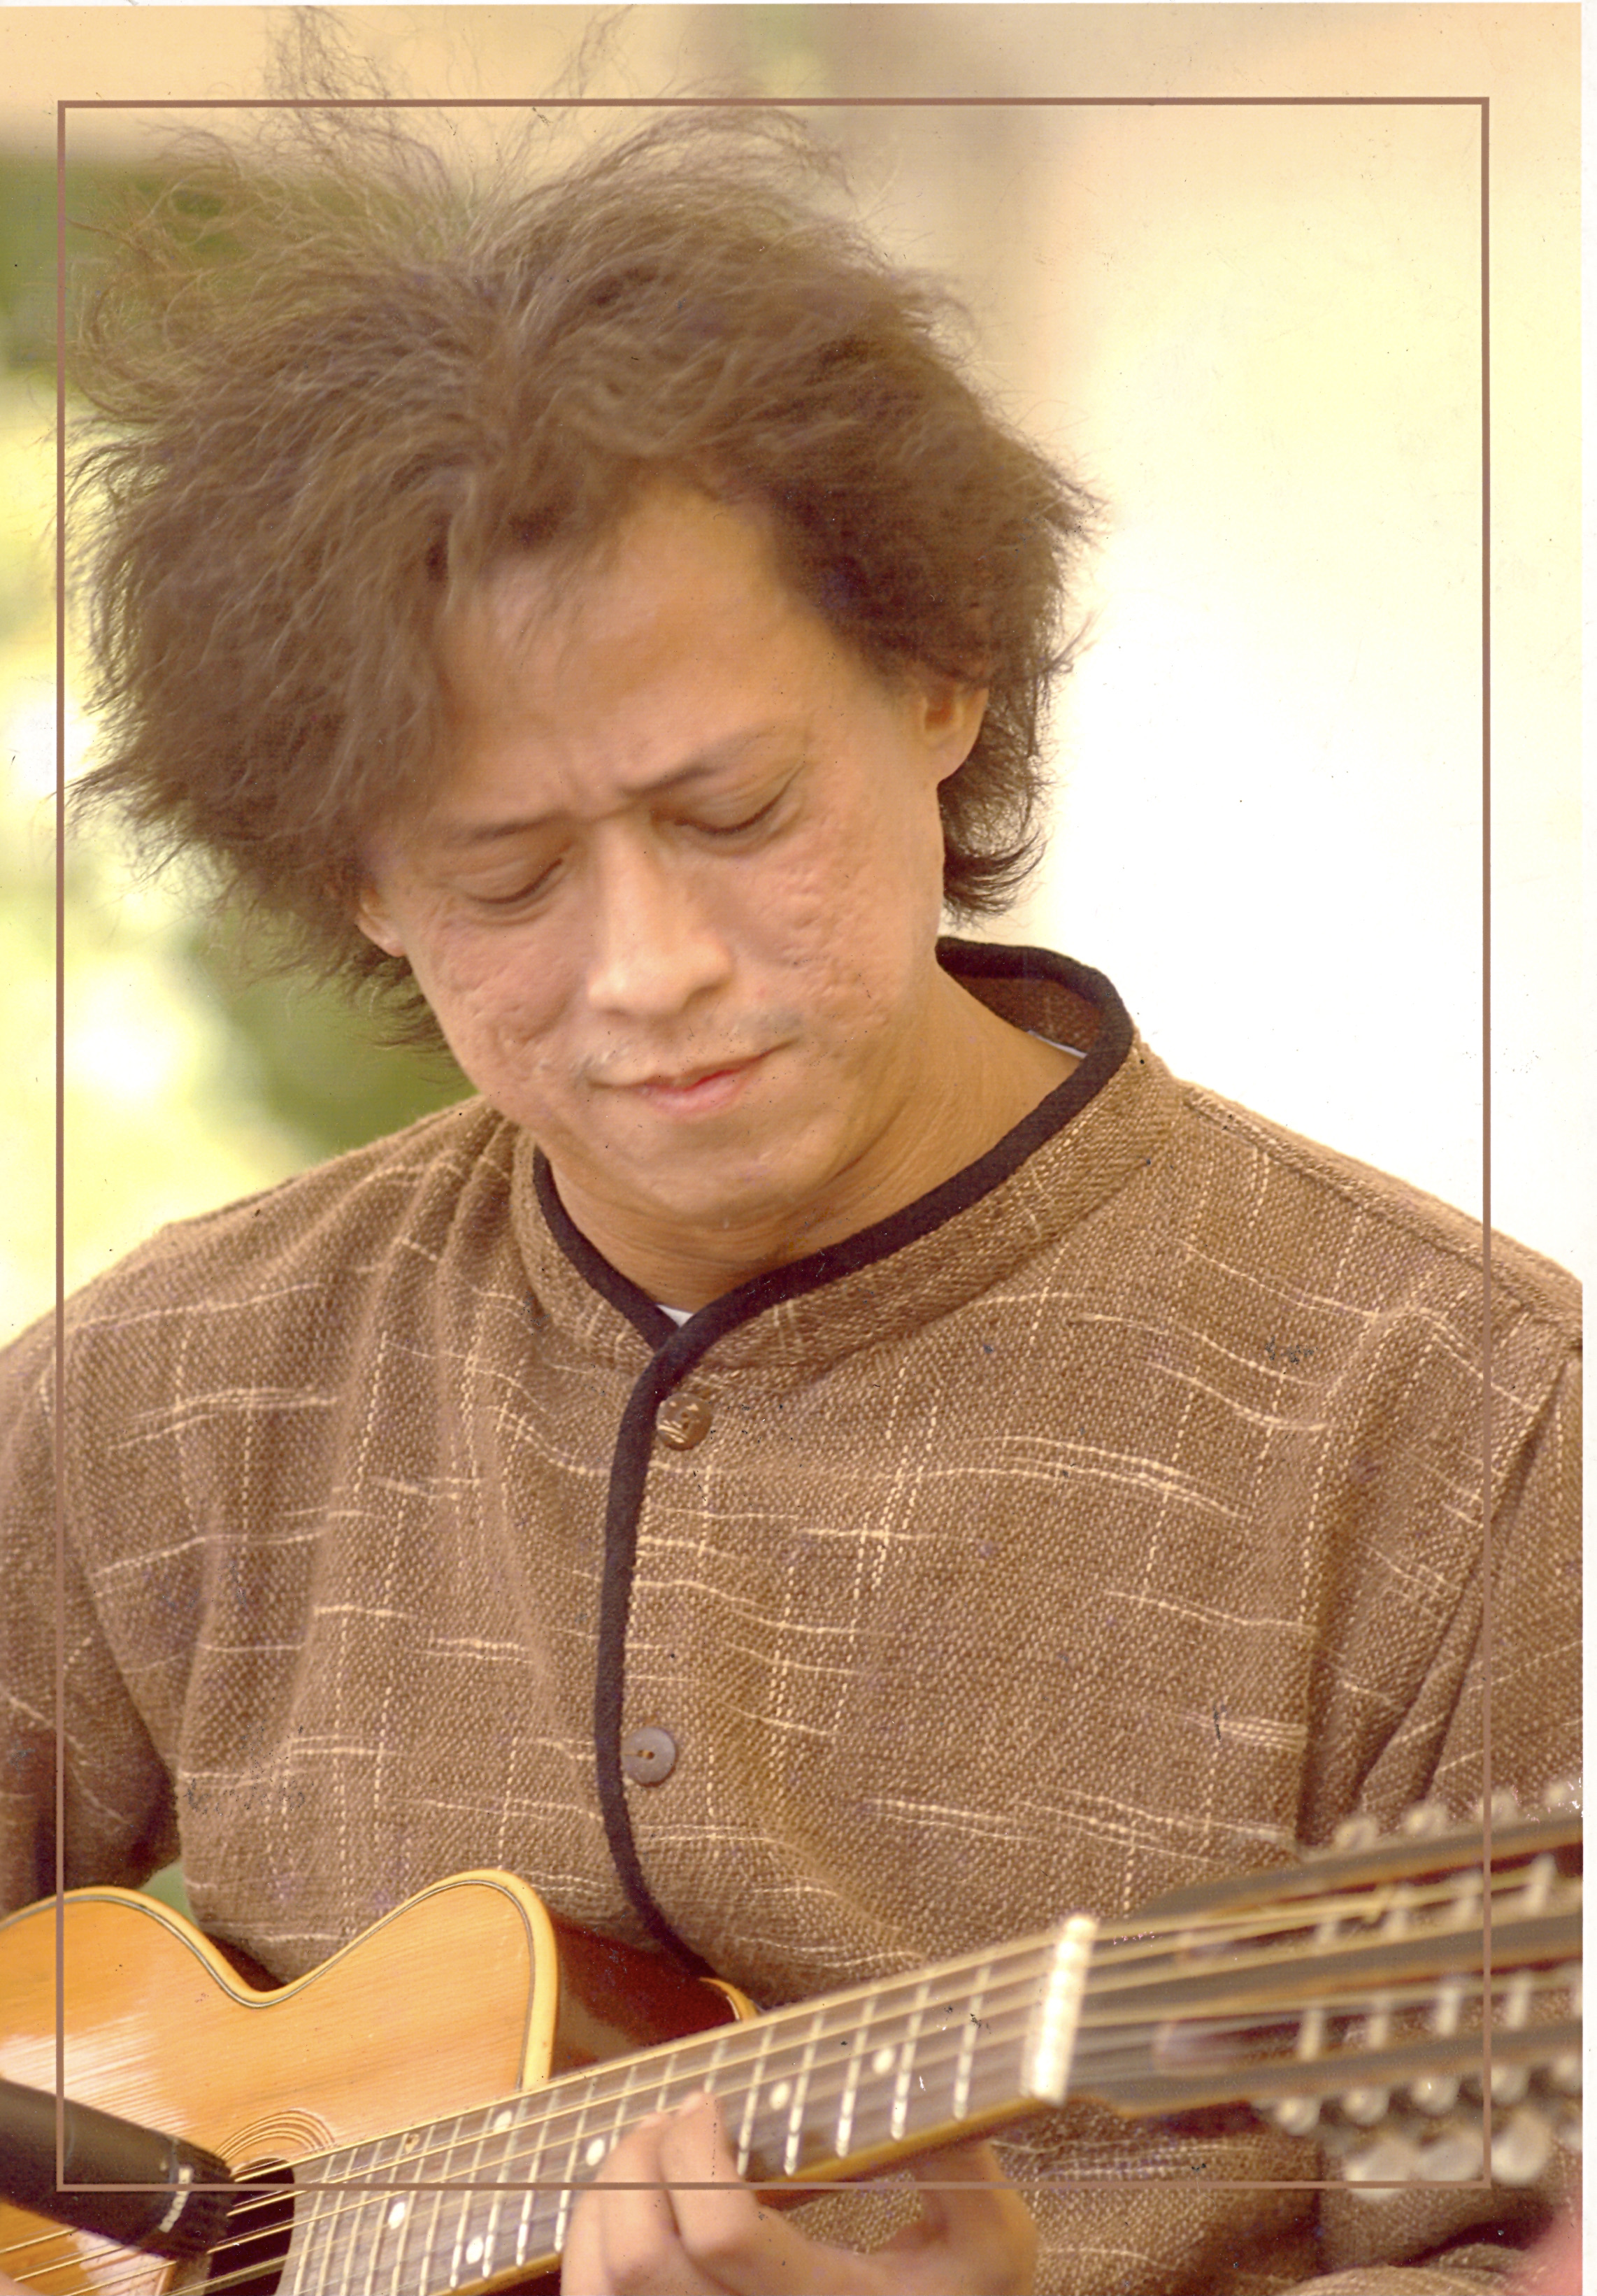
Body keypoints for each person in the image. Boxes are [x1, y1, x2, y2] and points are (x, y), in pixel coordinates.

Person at [0, 107, 1580, 2296]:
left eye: (733, 811)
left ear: (939, 681)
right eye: (507, 876)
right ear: (357, 878)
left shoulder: (1467, 1428)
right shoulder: (167, 1388)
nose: (650, 966)